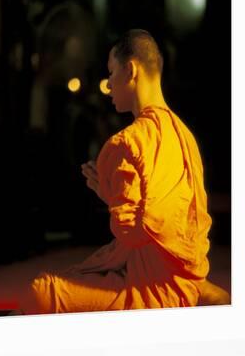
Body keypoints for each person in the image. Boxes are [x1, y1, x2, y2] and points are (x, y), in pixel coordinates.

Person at [18, 29, 230, 315]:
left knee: (41, 291)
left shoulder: (126, 144)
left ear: (130, 70)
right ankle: (195, 291)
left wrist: (111, 196)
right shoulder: (185, 135)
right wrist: (113, 194)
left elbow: (131, 233)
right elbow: (166, 222)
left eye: (111, 72)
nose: (108, 85)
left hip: (153, 288)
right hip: (184, 275)